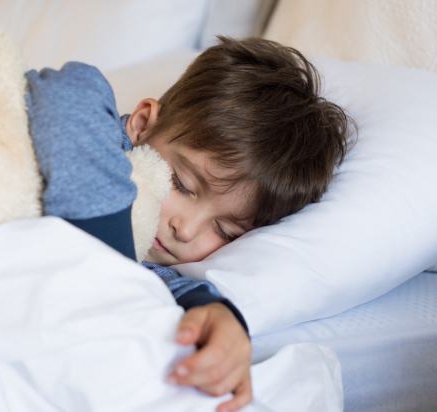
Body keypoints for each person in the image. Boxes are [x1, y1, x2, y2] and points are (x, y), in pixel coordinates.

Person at [24, 37, 351, 412]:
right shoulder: (98, 134)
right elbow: (71, 92)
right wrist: (108, 261)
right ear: (143, 124)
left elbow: (156, 285)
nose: (185, 229)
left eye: (226, 231)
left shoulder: (150, 259)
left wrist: (217, 314)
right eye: (182, 184)